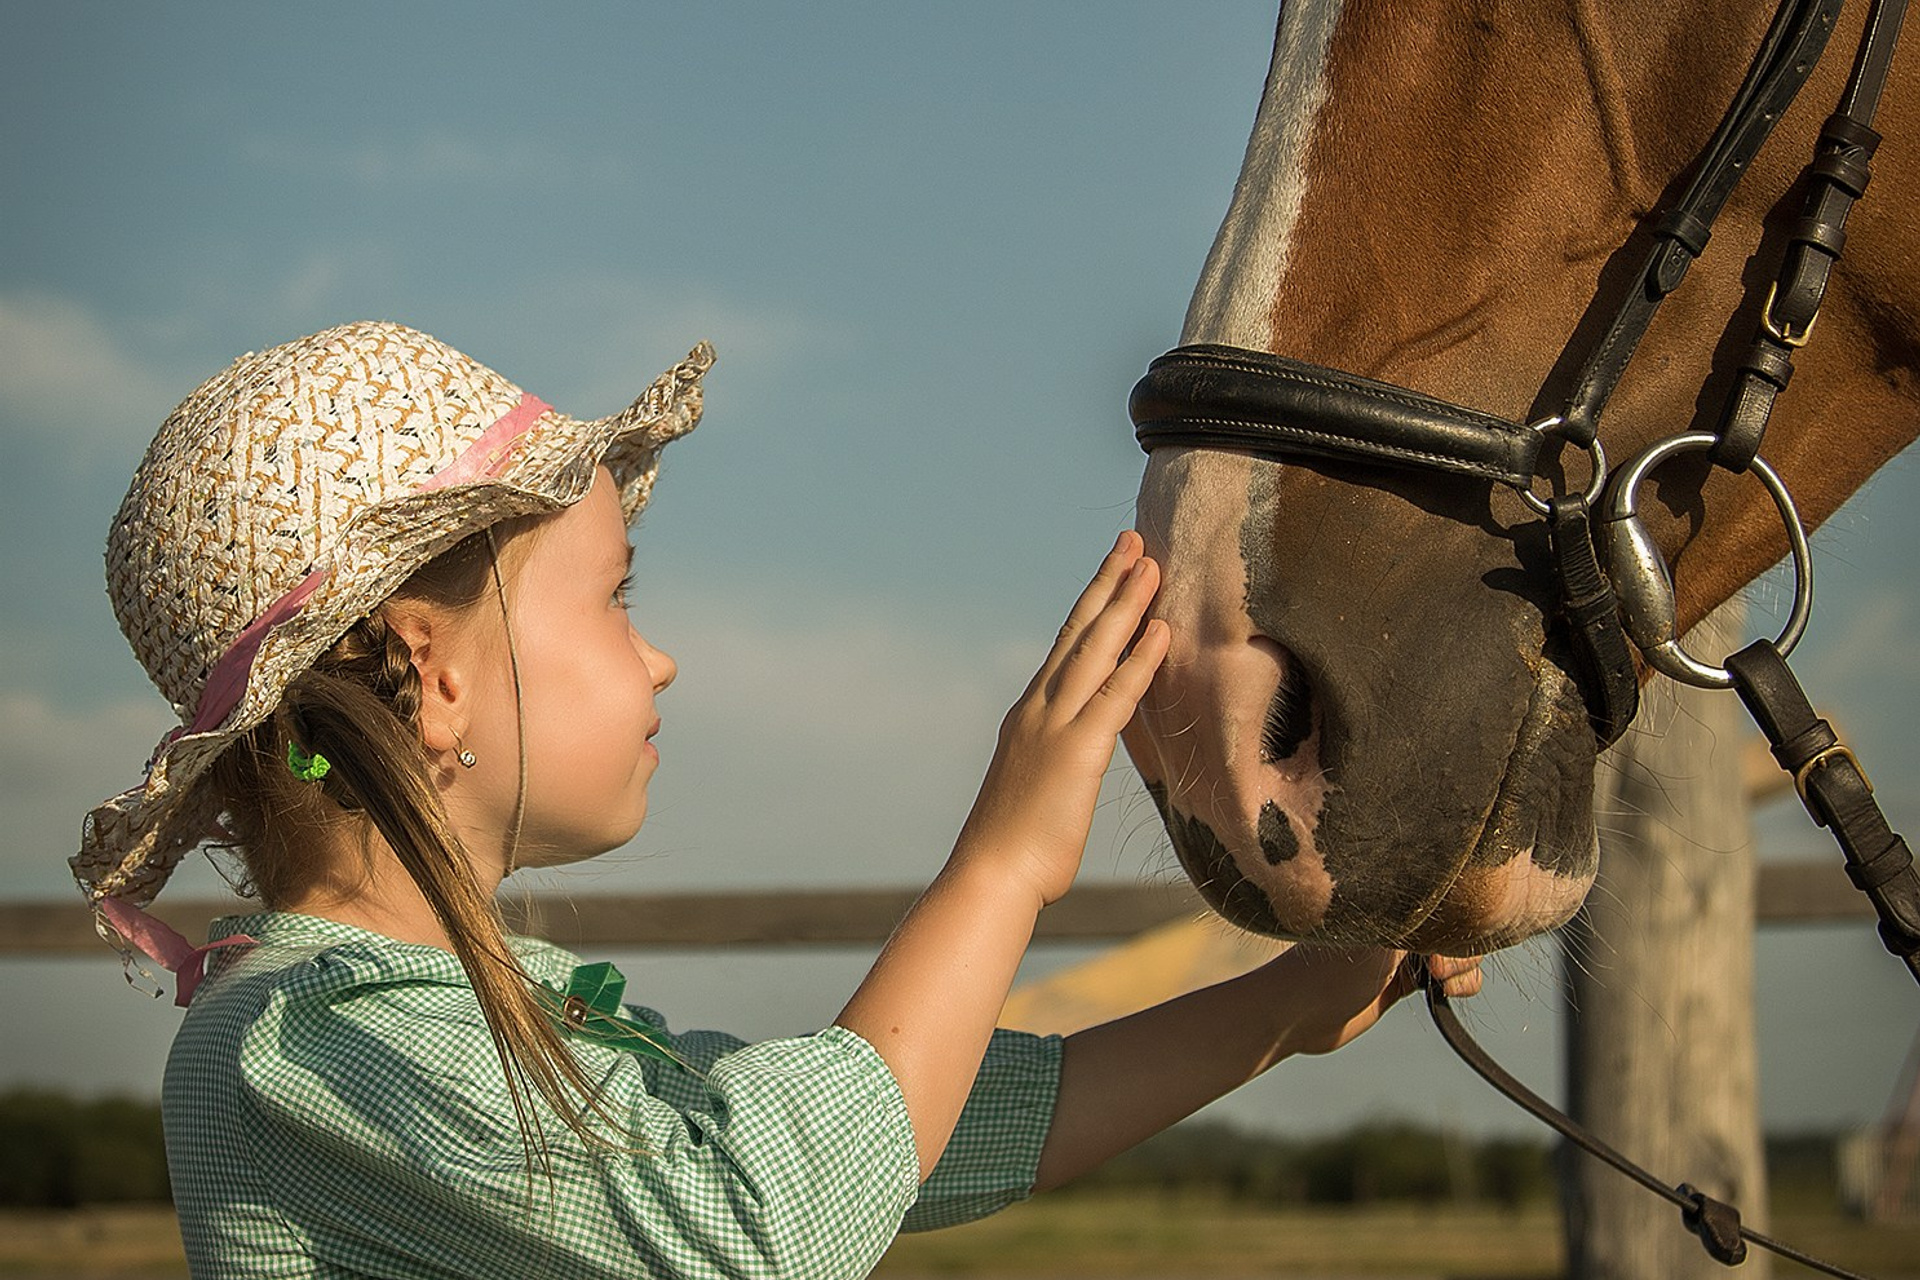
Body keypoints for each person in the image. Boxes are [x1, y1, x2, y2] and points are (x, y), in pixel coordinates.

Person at [76, 321, 1482, 1280]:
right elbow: (759, 1220)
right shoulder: (306, 1051)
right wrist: (999, 868)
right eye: (617, 601)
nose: (660, 651)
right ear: (430, 675)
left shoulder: (469, 1016)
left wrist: (1282, 1011)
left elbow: (900, 1138)